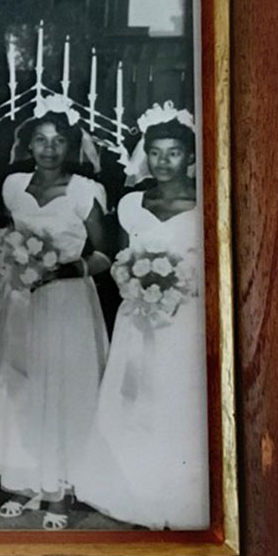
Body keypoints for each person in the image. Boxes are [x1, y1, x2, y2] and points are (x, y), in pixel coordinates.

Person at [0, 99, 113, 531]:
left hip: (66, 300)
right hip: (20, 302)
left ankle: (60, 489)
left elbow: (106, 254)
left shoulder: (86, 191)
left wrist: (65, 269)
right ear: (28, 144)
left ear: (71, 146)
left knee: (62, 388)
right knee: (22, 386)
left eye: (58, 141)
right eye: (41, 140)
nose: (49, 149)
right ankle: (25, 480)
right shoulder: (14, 185)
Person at [73, 105, 210, 529]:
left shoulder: (207, 202)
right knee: (136, 396)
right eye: (155, 152)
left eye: (173, 153)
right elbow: (117, 259)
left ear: (190, 158)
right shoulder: (132, 204)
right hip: (139, 316)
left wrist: (180, 285)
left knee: (176, 398)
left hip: (185, 319)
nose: (163, 161)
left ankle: (177, 492)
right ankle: (132, 487)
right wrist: (133, 281)